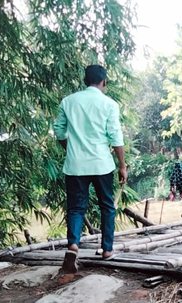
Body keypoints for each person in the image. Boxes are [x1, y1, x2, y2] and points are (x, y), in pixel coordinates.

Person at [53, 65, 127, 273]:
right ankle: (107, 249)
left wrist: (71, 149)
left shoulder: (68, 102)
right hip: (101, 163)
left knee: (76, 207)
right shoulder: (109, 104)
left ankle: (73, 246)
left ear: (85, 81)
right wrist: (122, 166)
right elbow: (115, 136)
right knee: (107, 206)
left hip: (75, 165)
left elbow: (59, 130)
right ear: (104, 82)